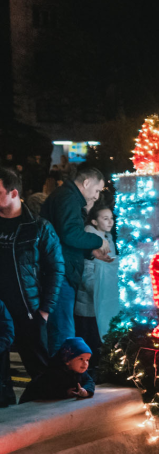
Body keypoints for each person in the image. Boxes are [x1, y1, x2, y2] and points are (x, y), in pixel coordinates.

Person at [0, 167, 64, 406]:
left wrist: (45, 310)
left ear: (13, 193)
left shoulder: (39, 227)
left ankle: (51, 420)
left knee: (39, 367)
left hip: (28, 308)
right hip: (0, 310)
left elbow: (57, 269)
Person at [38, 164, 106, 355]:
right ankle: (62, 380)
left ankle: (59, 378)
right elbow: (70, 234)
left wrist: (89, 251)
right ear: (86, 183)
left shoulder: (67, 197)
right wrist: (97, 241)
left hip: (60, 268)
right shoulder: (68, 198)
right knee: (63, 329)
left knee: (61, 327)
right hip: (61, 272)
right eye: (97, 190)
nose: (97, 196)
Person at [74, 204, 120, 371]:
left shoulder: (107, 238)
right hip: (89, 303)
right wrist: (103, 290)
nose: (110, 222)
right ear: (94, 221)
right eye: (105, 218)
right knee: (91, 340)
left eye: (111, 218)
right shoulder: (91, 239)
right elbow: (87, 274)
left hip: (104, 299)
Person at [19, 337, 95, 403]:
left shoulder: (79, 371)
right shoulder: (54, 372)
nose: (85, 363)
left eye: (87, 360)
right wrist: (64, 393)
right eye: (81, 359)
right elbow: (44, 389)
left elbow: (89, 381)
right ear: (67, 360)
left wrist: (86, 391)